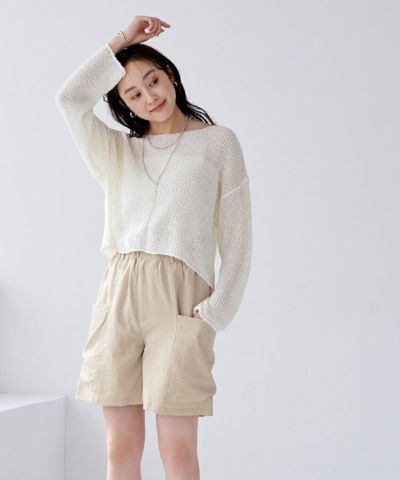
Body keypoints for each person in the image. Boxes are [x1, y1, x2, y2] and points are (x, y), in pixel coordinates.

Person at [54, 15, 252, 480]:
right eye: (133, 94)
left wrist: (214, 314)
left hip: (182, 302)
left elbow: (239, 239)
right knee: (120, 448)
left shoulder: (218, 144)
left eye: (153, 81)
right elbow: (69, 99)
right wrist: (123, 40)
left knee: (177, 450)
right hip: (120, 294)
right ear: (123, 106)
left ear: (170, 75)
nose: (150, 97)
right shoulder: (119, 151)